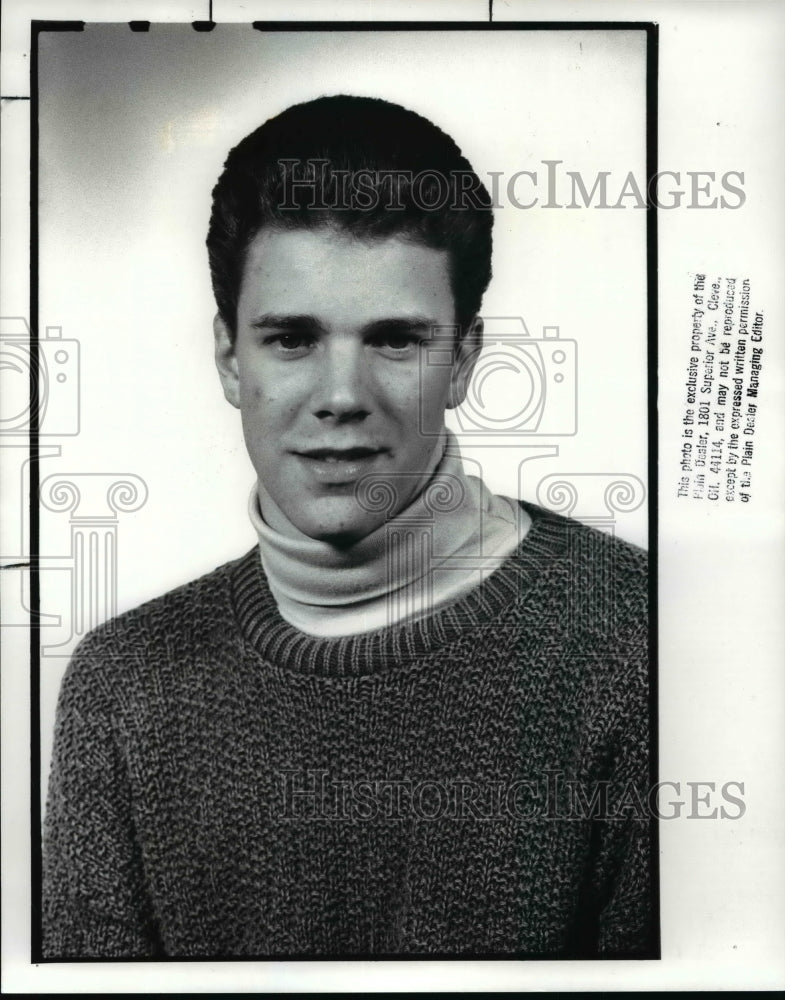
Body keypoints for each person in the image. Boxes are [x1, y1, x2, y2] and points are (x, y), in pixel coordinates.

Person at [42, 95, 654, 959]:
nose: (340, 395)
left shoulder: (643, 642)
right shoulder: (122, 688)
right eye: (291, 338)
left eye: (396, 341)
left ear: (465, 361)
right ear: (228, 357)